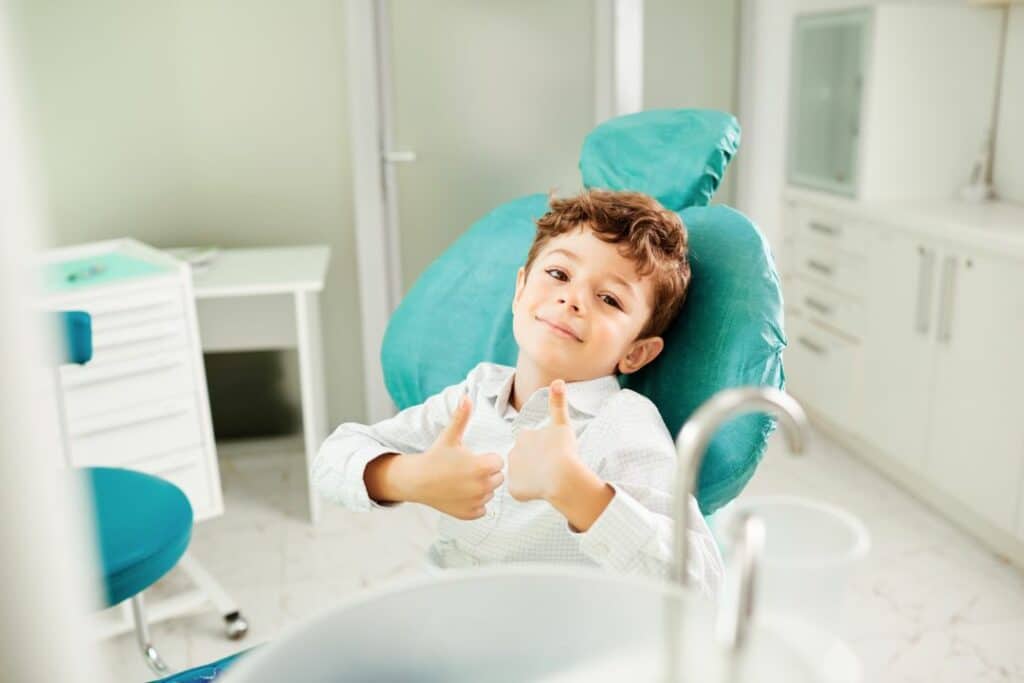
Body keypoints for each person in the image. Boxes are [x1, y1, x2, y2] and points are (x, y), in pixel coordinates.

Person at [313, 189, 722, 596]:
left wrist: (578, 492)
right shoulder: (474, 395)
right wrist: (408, 477)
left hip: (544, 648)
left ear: (636, 353)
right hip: (440, 614)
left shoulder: (623, 423)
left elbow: (702, 589)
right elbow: (330, 460)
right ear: (520, 290)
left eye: (609, 299)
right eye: (559, 274)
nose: (573, 298)